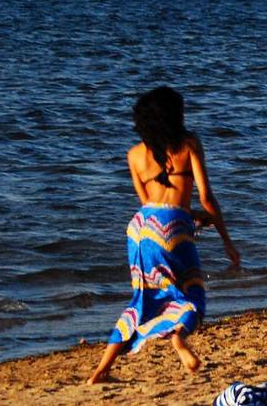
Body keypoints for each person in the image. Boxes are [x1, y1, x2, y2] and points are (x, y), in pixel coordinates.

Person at [87, 86, 240, 385]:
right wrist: (227, 241)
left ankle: (101, 370)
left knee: (141, 300)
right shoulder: (188, 144)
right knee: (192, 294)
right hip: (174, 229)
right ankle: (179, 340)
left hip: (140, 229)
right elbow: (207, 197)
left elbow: (150, 204)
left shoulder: (134, 155)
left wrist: (190, 214)